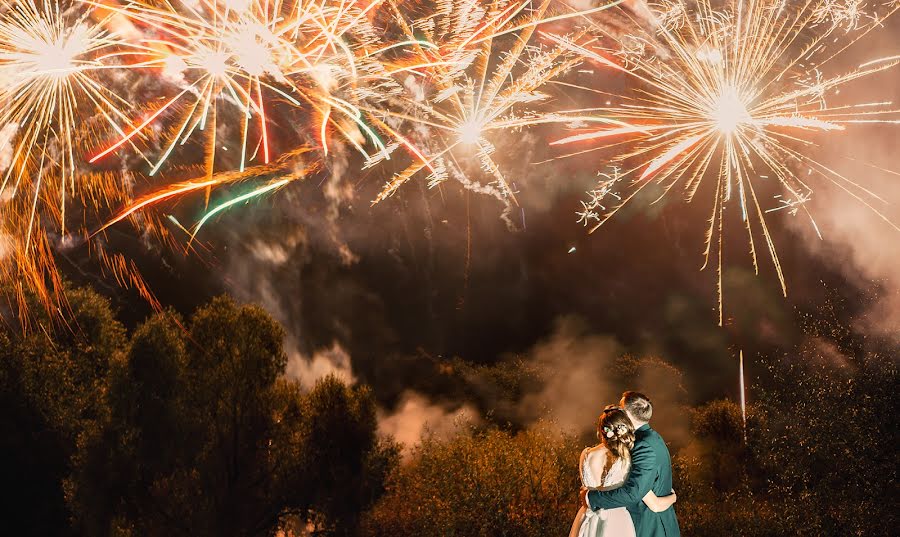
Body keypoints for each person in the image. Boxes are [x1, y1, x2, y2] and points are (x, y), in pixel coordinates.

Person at [580, 392, 681, 537]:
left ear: (627, 414)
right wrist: (673, 497)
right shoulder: (652, 437)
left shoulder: (640, 446)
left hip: (648, 526)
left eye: (620, 408)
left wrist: (591, 498)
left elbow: (634, 492)